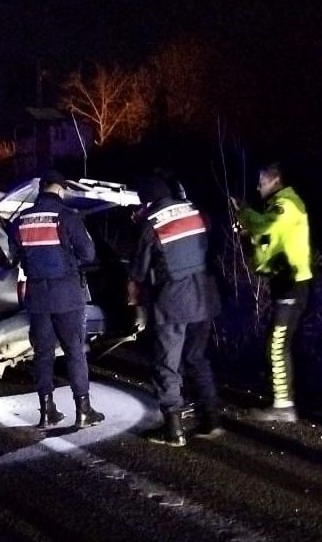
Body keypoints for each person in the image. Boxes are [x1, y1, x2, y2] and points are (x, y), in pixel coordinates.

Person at [128, 176, 221, 447]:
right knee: (196, 357)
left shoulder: (151, 224)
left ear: (147, 201)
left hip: (172, 304)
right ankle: (210, 420)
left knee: (167, 365)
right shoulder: (193, 211)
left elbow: (139, 271)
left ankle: (173, 429)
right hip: (204, 298)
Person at [9, 169, 105, 430]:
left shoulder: (21, 220)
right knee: (75, 351)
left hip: (37, 297)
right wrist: (68, 262)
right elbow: (88, 253)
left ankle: (46, 411)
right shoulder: (67, 217)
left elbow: (13, 256)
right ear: (60, 189)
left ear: (42, 189)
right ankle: (83, 410)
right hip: (67, 295)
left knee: (42, 354)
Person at [231, 162, 312, 422]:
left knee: (277, 345)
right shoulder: (280, 206)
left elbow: (267, 226)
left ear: (274, 181)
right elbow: (268, 239)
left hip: (292, 284)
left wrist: (244, 212)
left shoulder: (286, 205)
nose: (258, 187)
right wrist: (248, 233)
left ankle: (284, 406)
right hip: (284, 283)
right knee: (277, 344)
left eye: (261, 182)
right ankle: (282, 401)